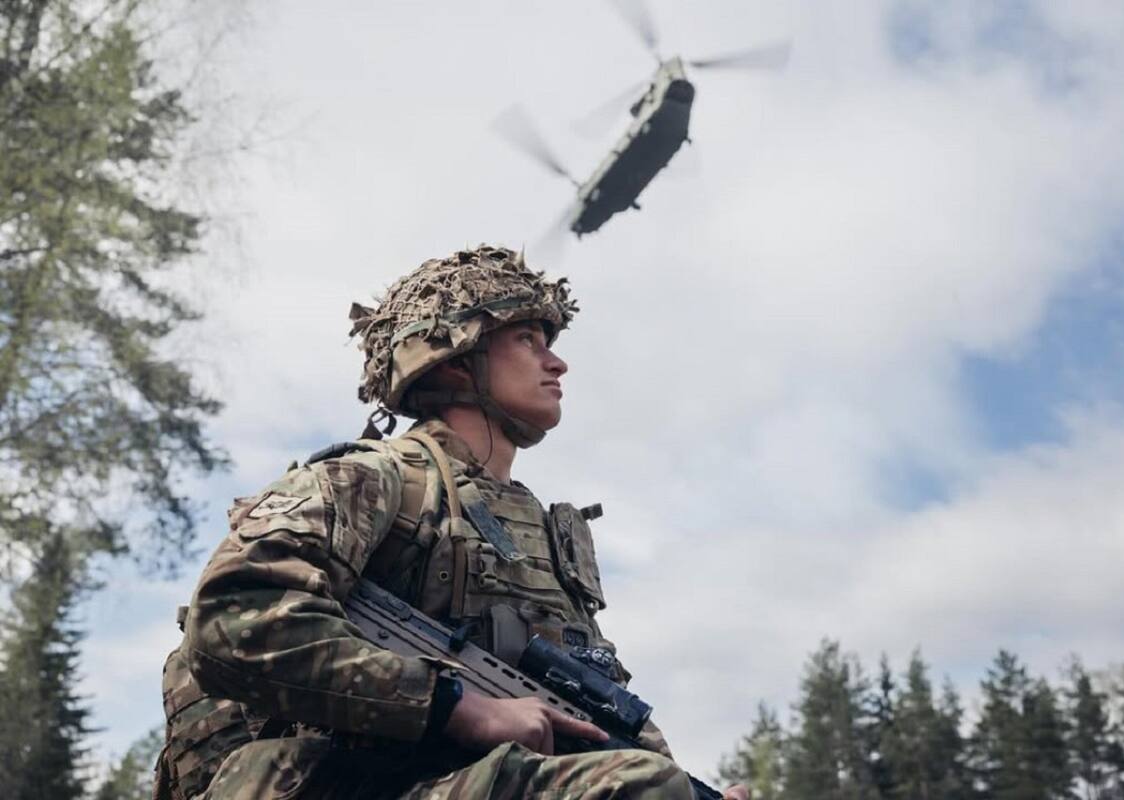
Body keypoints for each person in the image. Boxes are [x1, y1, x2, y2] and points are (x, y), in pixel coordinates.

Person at [155, 245, 749, 799]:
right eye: (527, 338)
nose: (557, 361)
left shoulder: (544, 535)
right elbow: (231, 622)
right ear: (457, 359)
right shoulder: (371, 479)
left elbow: (603, 713)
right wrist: (461, 708)